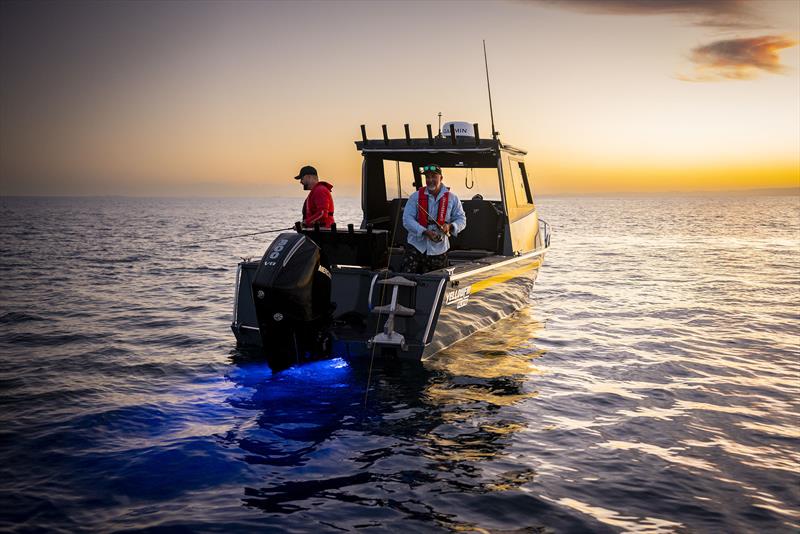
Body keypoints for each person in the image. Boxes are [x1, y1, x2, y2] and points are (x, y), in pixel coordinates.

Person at [401, 163, 466, 273]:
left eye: (434, 177)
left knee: (439, 282)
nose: (430, 180)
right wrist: (425, 232)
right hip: (415, 247)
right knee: (407, 279)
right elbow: (407, 220)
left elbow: (462, 220)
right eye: (427, 177)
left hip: (439, 250)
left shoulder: (452, 198)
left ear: (441, 178)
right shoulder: (415, 197)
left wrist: (450, 226)